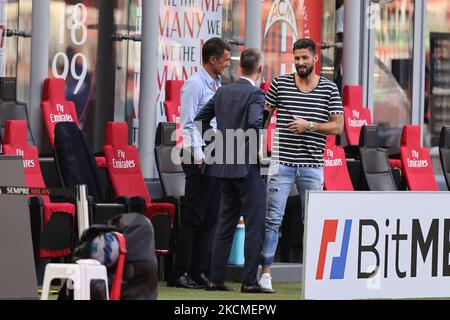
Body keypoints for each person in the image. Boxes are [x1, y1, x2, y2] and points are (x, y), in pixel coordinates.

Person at [259, 38, 344, 291]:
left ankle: (315, 276)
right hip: (281, 162)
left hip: (312, 164)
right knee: (273, 219)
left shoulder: (329, 89)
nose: (300, 63)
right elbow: (263, 118)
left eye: (304, 58)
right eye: (296, 58)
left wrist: (310, 125)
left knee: (313, 221)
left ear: (315, 59)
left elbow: (338, 126)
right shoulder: (279, 83)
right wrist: (256, 148)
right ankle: (265, 273)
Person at [195, 48, 273, 294]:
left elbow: (200, 119)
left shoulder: (222, 92)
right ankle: (249, 281)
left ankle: (215, 279)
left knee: (225, 223)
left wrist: (215, 146)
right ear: (260, 69)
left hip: (223, 167)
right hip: (247, 168)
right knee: (254, 225)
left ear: (240, 68)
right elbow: (253, 124)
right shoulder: (256, 95)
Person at [167, 37, 232, 289]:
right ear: (213, 59)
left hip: (213, 151)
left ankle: (198, 271)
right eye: (225, 60)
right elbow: (187, 123)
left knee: (209, 216)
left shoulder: (217, 84)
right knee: (194, 215)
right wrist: (198, 156)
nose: (228, 64)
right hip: (196, 154)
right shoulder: (194, 84)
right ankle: (179, 273)